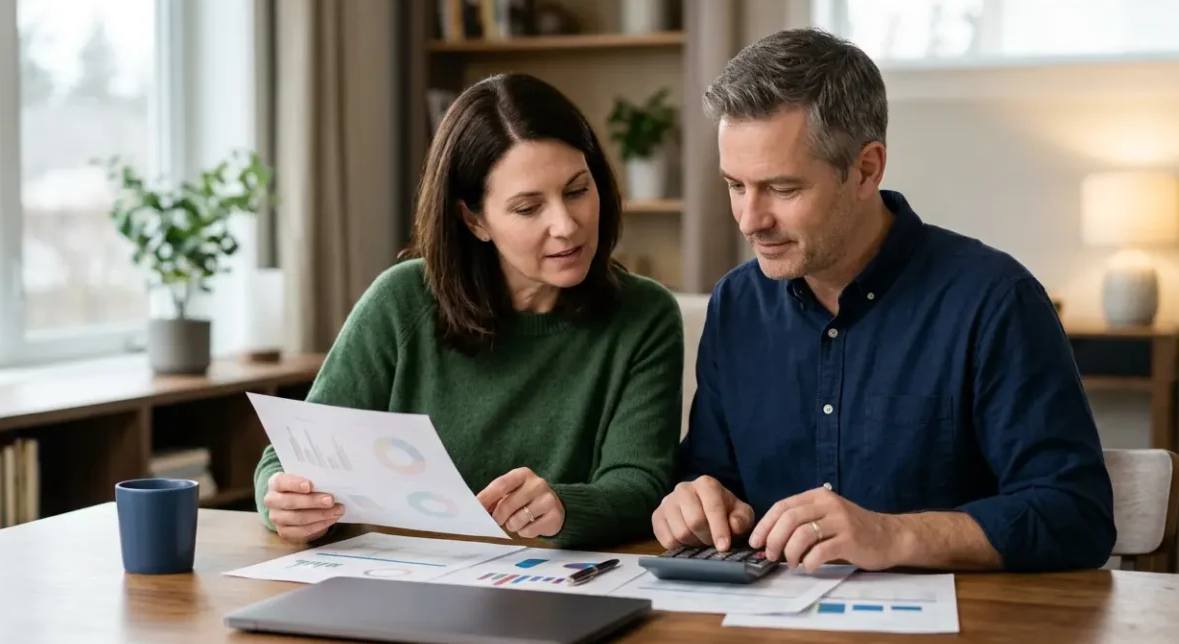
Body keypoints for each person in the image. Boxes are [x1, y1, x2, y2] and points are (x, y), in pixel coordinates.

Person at [652, 28, 1117, 573]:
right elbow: (711, 479)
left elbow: (1075, 514)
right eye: (736, 186)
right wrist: (691, 502)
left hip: (960, 643)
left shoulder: (995, 301)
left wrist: (893, 535)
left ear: (867, 169)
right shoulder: (736, 303)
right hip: (772, 639)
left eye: (782, 189)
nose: (750, 220)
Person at [254, 73, 684, 549]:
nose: (566, 225)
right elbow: (291, 457)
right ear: (474, 219)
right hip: (402, 585)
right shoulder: (401, 302)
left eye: (578, 190)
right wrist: (284, 503)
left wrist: (564, 507)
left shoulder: (645, 314)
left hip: (555, 589)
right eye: (528, 208)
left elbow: (642, 485)